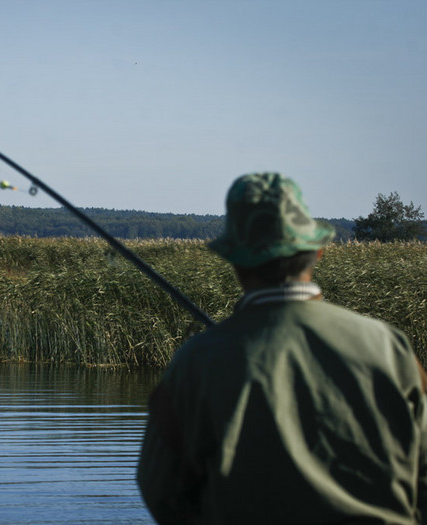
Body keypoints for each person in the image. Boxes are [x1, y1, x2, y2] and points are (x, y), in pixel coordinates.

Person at [137, 172, 427, 524]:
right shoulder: (390, 348)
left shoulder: (197, 361)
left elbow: (161, 491)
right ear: (317, 251)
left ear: (237, 262)